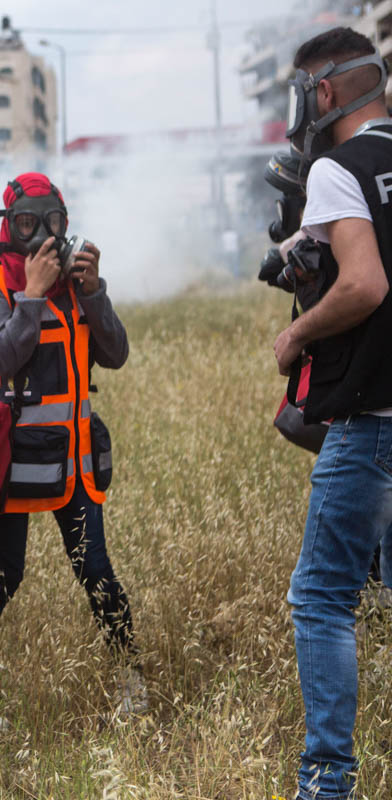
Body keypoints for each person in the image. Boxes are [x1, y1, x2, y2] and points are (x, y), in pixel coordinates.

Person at [0, 173, 143, 725]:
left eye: (52, 222)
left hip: (73, 462)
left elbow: (117, 353)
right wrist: (30, 295)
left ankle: (133, 682)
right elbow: (5, 358)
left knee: (95, 569)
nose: (40, 235)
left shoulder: (77, 282)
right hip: (14, 461)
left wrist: (95, 291)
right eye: (27, 223)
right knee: (3, 576)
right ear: (7, 227)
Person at [273, 27, 392, 800]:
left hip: (372, 418)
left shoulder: (336, 168)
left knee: (320, 598)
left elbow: (364, 285)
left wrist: (296, 332)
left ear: (322, 93)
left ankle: (327, 783)